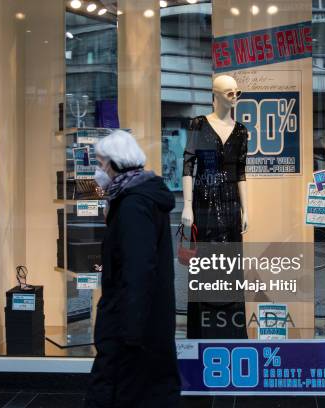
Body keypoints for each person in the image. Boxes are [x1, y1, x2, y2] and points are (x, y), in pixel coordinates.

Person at [84, 130, 180, 408]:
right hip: (142, 319)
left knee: (119, 388)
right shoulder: (138, 196)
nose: (98, 171)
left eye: (101, 163)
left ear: (114, 164)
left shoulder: (133, 204)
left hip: (130, 321)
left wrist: (131, 328)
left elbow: (138, 268)